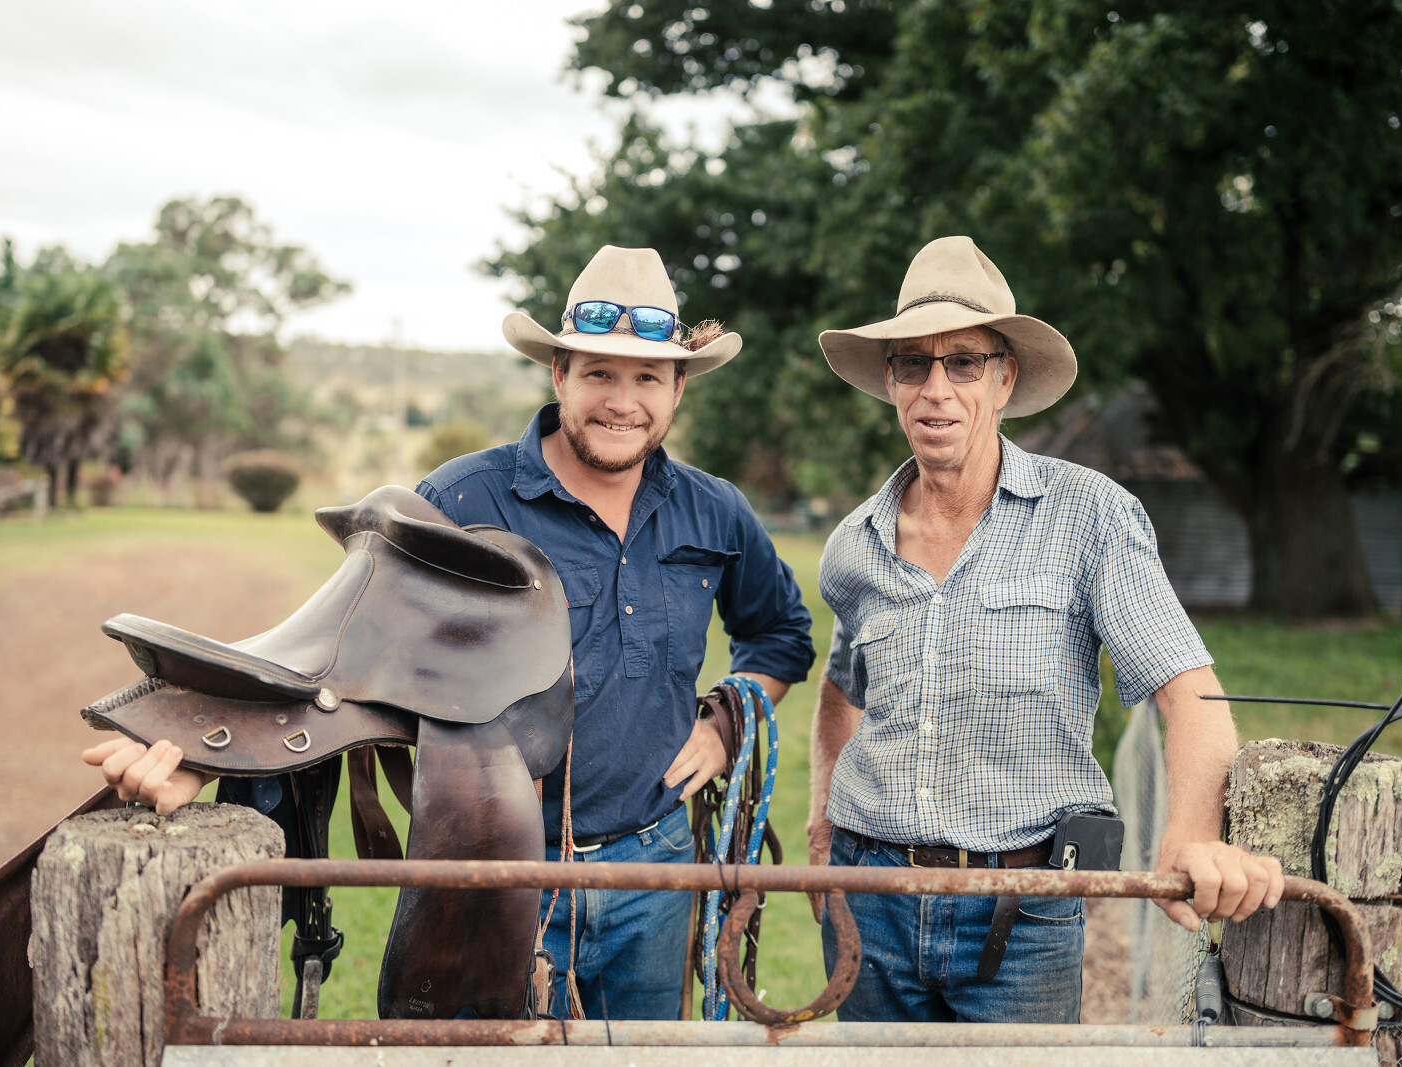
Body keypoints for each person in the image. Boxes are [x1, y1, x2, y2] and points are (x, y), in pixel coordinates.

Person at [86, 244, 816, 1022]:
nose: (621, 400)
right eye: (599, 372)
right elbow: (337, 656)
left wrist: (726, 720)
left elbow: (781, 633)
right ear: (559, 374)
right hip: (500, 869)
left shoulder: (715, 511)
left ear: (677, 389)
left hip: (656, 862)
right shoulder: (461, 500)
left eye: (647, 378)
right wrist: (197, 750)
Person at [804, 236, 1283, 1024]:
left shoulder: (1090, 516)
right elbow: (839, 688)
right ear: (889, 379)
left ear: (1004, 378)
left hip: (1023, 907)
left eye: (963, 362)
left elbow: (1190, 692)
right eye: (913, 364)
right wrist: (822, 821)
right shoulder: (855, 542)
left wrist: (1192, 834)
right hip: (870, 898)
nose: (935, 389)